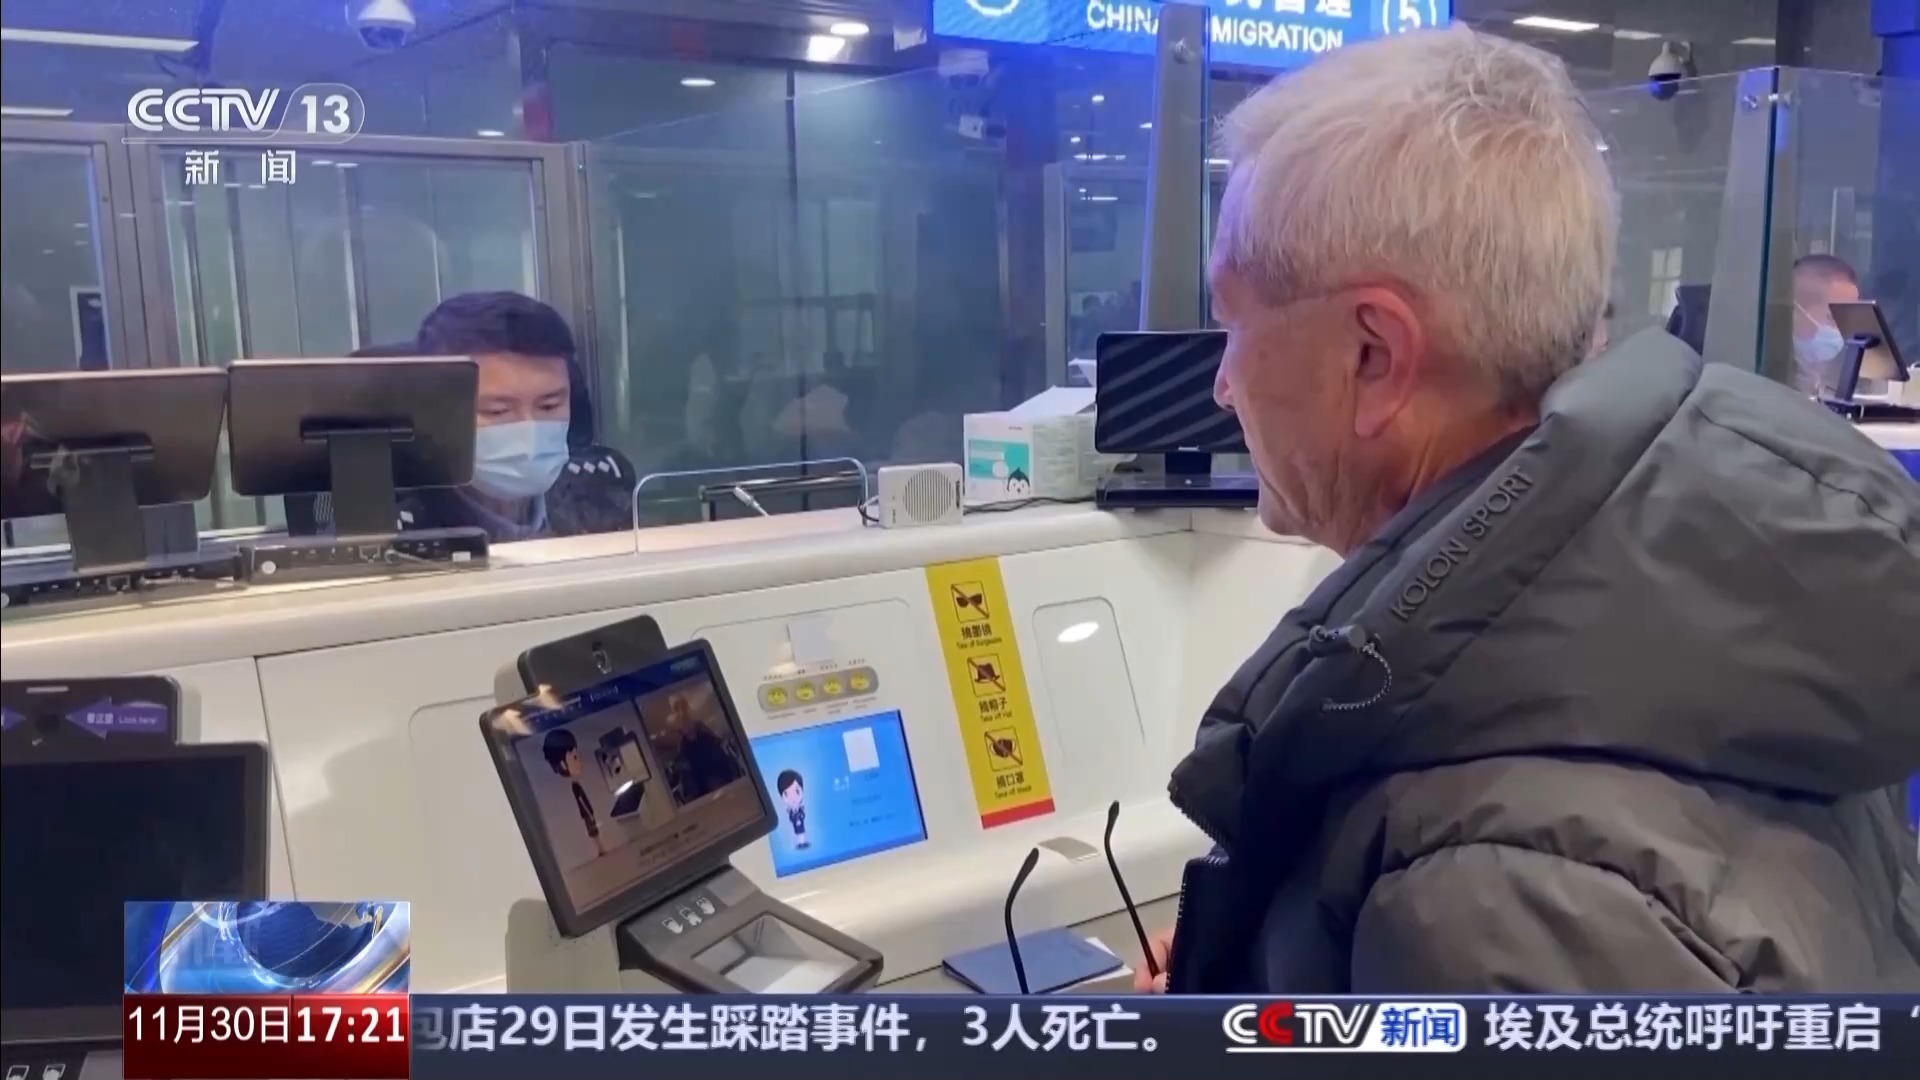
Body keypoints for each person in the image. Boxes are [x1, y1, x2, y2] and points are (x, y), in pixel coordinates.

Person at [1138, 26, 1920, 995]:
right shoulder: (1733, 609)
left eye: (1232, 324)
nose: (1222, 385)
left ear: (1374, 356)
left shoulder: (1491, 900)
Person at [406, 291, 636, 543]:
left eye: (548, 406)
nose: (530, 431)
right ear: (436, 415)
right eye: (497, 411)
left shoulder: (599, 486)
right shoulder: (401, 528)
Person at [1790, 254, 1862, 395]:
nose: (1842, 329)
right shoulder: (1770, 379)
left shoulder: (1827, 379)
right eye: (1832, 318)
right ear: (1796, 312)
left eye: (1848, 319)